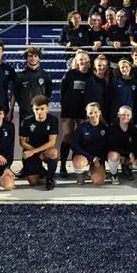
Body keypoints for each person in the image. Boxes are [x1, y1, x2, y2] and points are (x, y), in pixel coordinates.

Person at [58, 50, 91, 178]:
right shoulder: (70, 74)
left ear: (89, 61)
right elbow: (63, 90)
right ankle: (62, 166)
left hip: (84, 111)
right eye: (80, 59)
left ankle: (81, 164)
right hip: (69, 110)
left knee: (83, 138)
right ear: (76, 61)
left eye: (85, 59)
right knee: (67, 137)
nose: (83, 61)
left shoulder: (91, 75)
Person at [18, 95, 59, 190]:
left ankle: (50, 179)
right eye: (36, 109)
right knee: (33, 182)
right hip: (30, 150)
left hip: (45, 151)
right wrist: (34, 152)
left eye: (42, 109)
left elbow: (52, 142)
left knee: (53, 152)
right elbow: (22, 143)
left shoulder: (52, 120)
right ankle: (39, 170)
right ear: (33, 109)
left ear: (47, 109)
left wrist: (37, 152)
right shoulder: (26, 121)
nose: (39, 112)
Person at [71, 102, 109, 186]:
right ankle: (81, 174)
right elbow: (74, 145)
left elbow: (107, 147)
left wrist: (100, 160)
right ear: (87, 114)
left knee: (98, 182)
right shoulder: (82, 127)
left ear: (100, 112)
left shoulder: (105, 128)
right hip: (85, 156)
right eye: (90, 113)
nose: (93, 115)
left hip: (98, 158)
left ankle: (94, 170)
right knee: (78, 162)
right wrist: (92, 158)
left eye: (96, 112)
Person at [13, 47, 52, 120]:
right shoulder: (19, 76)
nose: (33, 58)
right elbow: (15, 94)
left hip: (40, 112)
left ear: (39, 58)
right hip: (25, 112)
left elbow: (48, 94)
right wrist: (12, 110)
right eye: (30, 56)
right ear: (26, 58)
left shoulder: (46, 75)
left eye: (35, 56)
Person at [107, 105, 137, 182]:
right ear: (118, 115)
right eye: (123, 115)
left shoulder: (134, 129)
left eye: (128, 115)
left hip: (129, 155)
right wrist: (128, 153)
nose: (125, 117)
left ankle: (127, 168)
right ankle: (114, 174)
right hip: (117, 154)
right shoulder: (112, 128)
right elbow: (112, 146)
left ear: (131, 116)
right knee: (113, 155)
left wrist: (136, 157)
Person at [107, 59, 137, 124]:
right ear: (119, 69)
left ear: (130, 67)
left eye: (126, 67)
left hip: (130, 115)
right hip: (117, 115)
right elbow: (110, 99)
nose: (125, 69)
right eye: (122, 67)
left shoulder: (135, 82)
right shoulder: (114, 81)